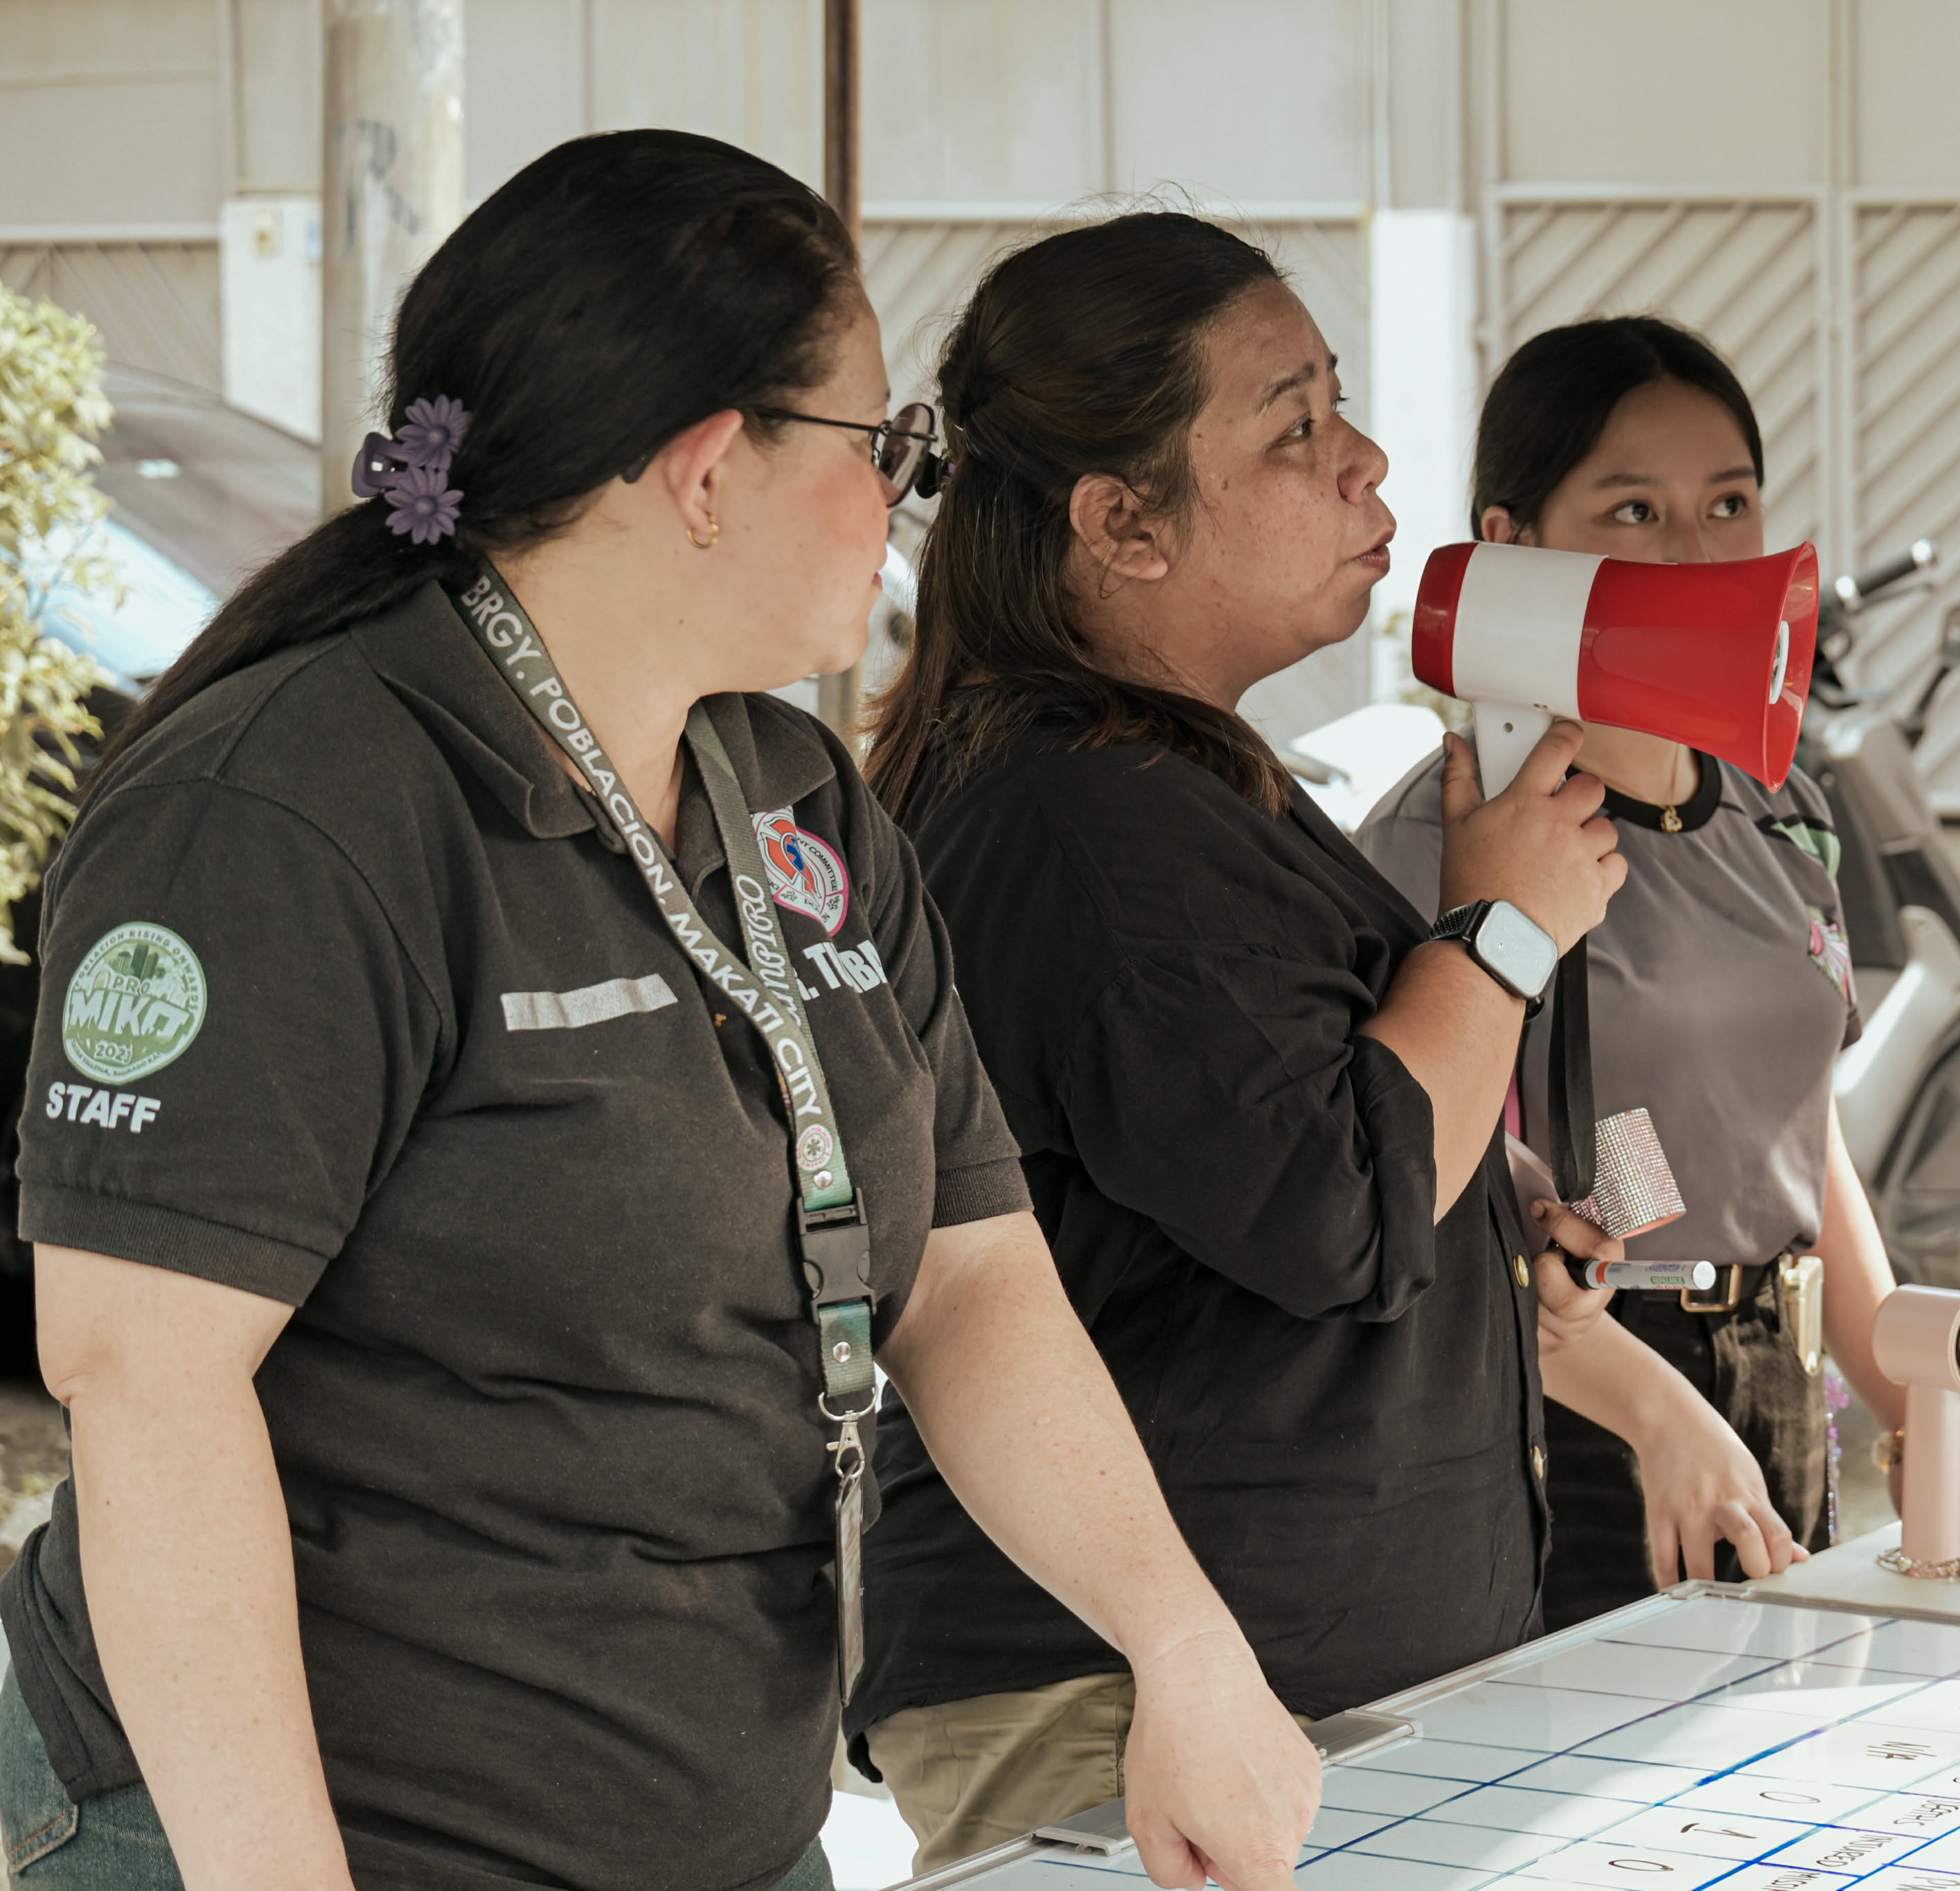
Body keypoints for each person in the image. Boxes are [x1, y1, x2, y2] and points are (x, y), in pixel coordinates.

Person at [0, 134, 1317, 1891]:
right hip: (305, 1842)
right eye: (880, 446)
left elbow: (975, 1279)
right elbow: (146, 1386)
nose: (905, 495)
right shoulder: (292, 809)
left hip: (712, 1832)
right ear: (707, 471)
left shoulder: (791, 795)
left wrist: (1181, 1644)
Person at [848, 213, 1803, 1871]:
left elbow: (1278, 1155)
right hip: (1148, 1705)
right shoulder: (1082, 817)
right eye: (1292, 426)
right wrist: (1500, 934)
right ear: (1120, 522)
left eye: (1340, 406)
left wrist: (1492, 1223)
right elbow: (1333, 1211)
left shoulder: (1161, 783)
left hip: (1250, 1682)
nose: (1364, 464)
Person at [1354, 317, 1909, 1626]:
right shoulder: (1448, 836)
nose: (1699, 551)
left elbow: (1800, 1125)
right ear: (1511, 542)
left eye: (1729, 503)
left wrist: (1915, 1393)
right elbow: (1417, 1183)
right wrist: (1643, 1401)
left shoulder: (1780, 809)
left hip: (1782, 1382)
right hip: (1562, 1403)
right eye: (1636, 509)